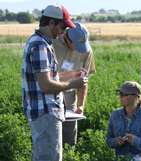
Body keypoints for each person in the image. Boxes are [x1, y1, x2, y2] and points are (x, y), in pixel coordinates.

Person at [21, 4, 88, 161]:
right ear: (51, 23)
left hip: (43, 113)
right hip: (46, 113)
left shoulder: (37, 41)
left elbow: (47, 78)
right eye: (63, 27)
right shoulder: (40, 45)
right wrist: (73, 84)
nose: (64, 32)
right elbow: (46, 86)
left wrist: (71, 74)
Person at [52, 22, 96, 147]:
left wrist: (81, 105)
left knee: (69, 136)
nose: (79, 49)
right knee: (51, 135)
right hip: (49, 93)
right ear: (66, 37)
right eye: (76, 45)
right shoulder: (51, 44)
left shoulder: (86, 51)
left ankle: (69, 156)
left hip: (69, 95)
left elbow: (83, 80)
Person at [106, 81, 141, 161]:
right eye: (120, 94)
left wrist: (136, 140)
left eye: (124, 94)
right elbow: (109, 140)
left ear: (134, 97)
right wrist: (115, 141)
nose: (120, 96)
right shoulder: (115, 114)